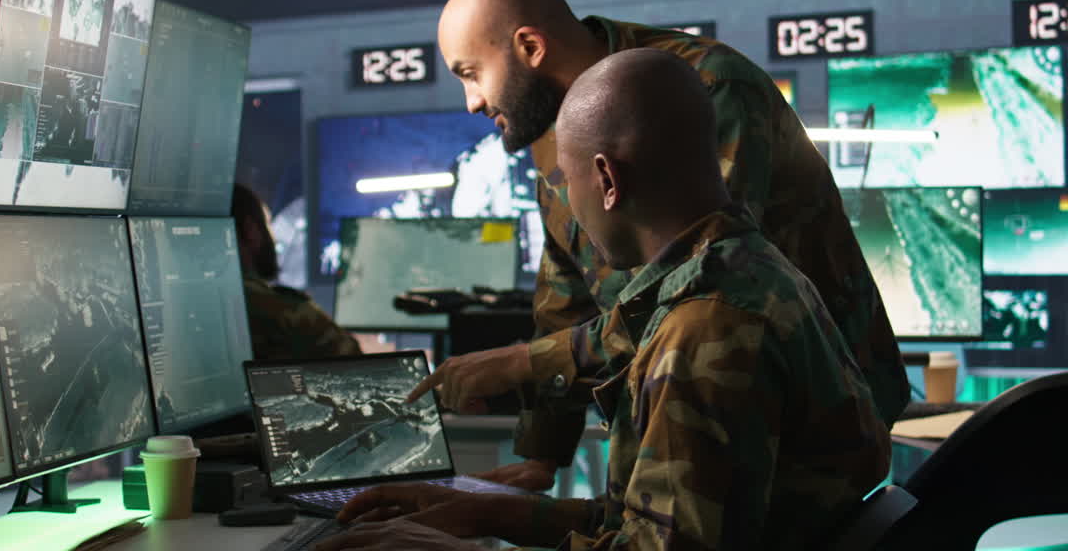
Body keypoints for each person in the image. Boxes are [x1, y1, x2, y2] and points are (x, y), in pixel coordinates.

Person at [318, 49, 891, 551]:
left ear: (608, 180)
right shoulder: (752, 273)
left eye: (567, 182)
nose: (569, 201)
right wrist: (493, 510)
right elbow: (657, 529)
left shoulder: (703, 329)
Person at [432, 0, 906, 490]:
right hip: (690, 402)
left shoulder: (705, 90)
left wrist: (525, 363)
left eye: (470, 72)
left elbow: (707, 281)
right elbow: (565, 292)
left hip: (805, 414)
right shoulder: (553, 124)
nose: (472, 101)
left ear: (530, 47)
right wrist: (542, 452)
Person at [232, 182, 361, 360]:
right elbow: (355, 365)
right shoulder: (287, 313)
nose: (275, 239)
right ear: (251, 230)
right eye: (268, 224)